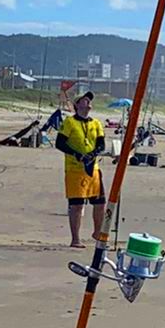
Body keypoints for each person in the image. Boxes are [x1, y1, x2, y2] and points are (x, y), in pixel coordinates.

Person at [57, 90, 107, 248]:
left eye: (89, 100)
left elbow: (102, 144)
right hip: (74, 169)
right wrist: (76, 154)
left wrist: (93, 153)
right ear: (77, 105)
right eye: (84, 100)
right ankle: (75, 239)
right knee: (77, 205)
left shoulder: (96, 123)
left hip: (93, 169)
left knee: (100, 203)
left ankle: (97, 232)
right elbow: (60, 143)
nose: (88, 102)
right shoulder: (69, 122)